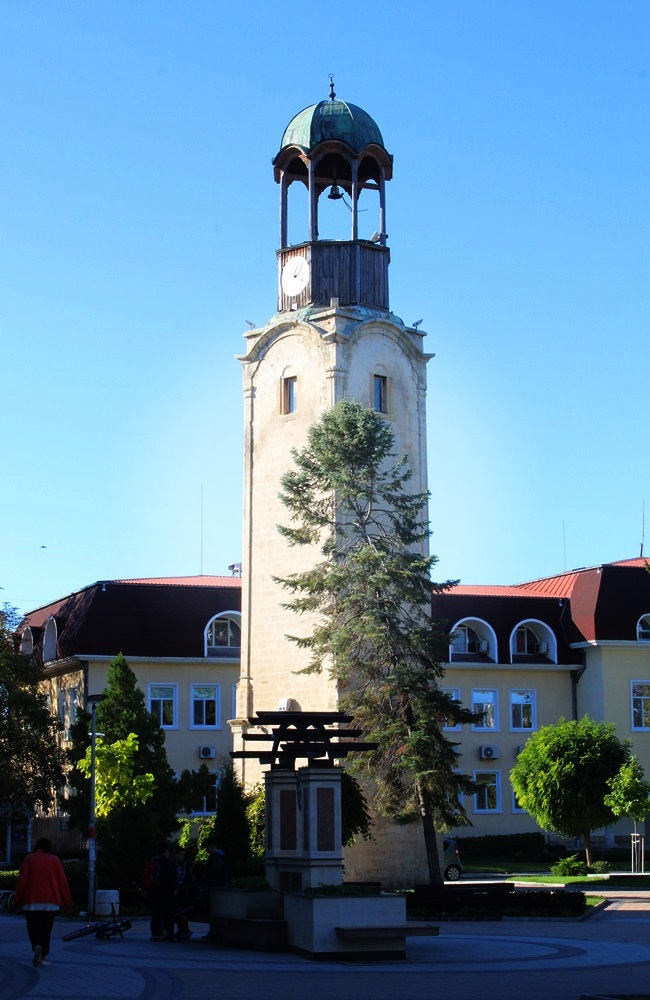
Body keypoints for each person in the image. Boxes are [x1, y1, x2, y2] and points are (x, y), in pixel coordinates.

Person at [14, 837, 72, 968]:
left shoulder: (29, 859)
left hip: (31, 901)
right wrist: (67, 900)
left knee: (32, 927)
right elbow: (63, 882)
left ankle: (36, 946)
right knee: (46, 929)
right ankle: (43, 957)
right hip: (51, 902)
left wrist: (18, 899)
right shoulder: (55, 860)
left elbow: (21, 881)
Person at [146, 841, 177, 942]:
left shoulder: (153, 861)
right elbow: (171, 878)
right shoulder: (167, 863)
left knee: (155, 913)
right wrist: (174, 889)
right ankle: (169, 934)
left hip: (154, 890)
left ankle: (155, 933)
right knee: (167, 914)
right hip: (165, 891)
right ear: (166, 851)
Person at [172, 846, 192, 940]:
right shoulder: (173, 865)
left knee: (180, 911)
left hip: (183, 891)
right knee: (175, 911)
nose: (182, 857)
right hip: (176, 891)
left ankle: (184, 929)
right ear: (176, 854)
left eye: (183, 855)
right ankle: (184, 929)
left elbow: (188, 878)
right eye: (180, 854)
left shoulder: (185, 865)